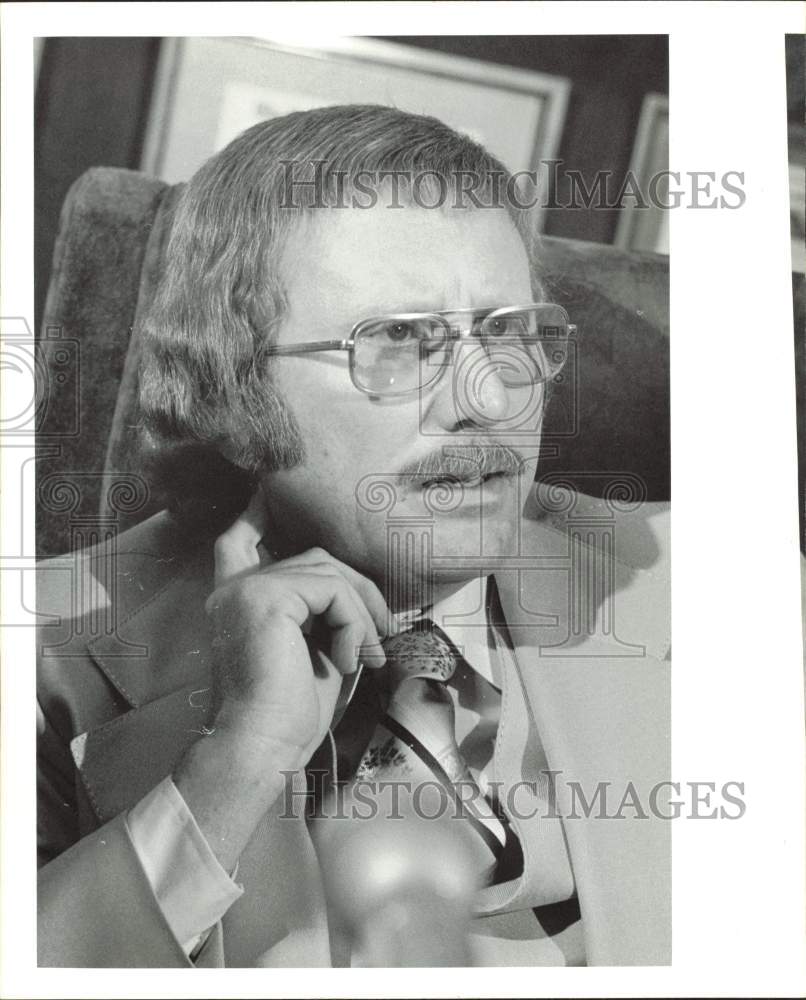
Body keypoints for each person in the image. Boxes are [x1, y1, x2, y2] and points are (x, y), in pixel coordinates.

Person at [36, 105, 671, 968]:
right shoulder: (43, 656)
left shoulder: (712, 585)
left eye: (508, 332)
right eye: (400, 342)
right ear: (227, 385)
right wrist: (237, 761)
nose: (486, 403)